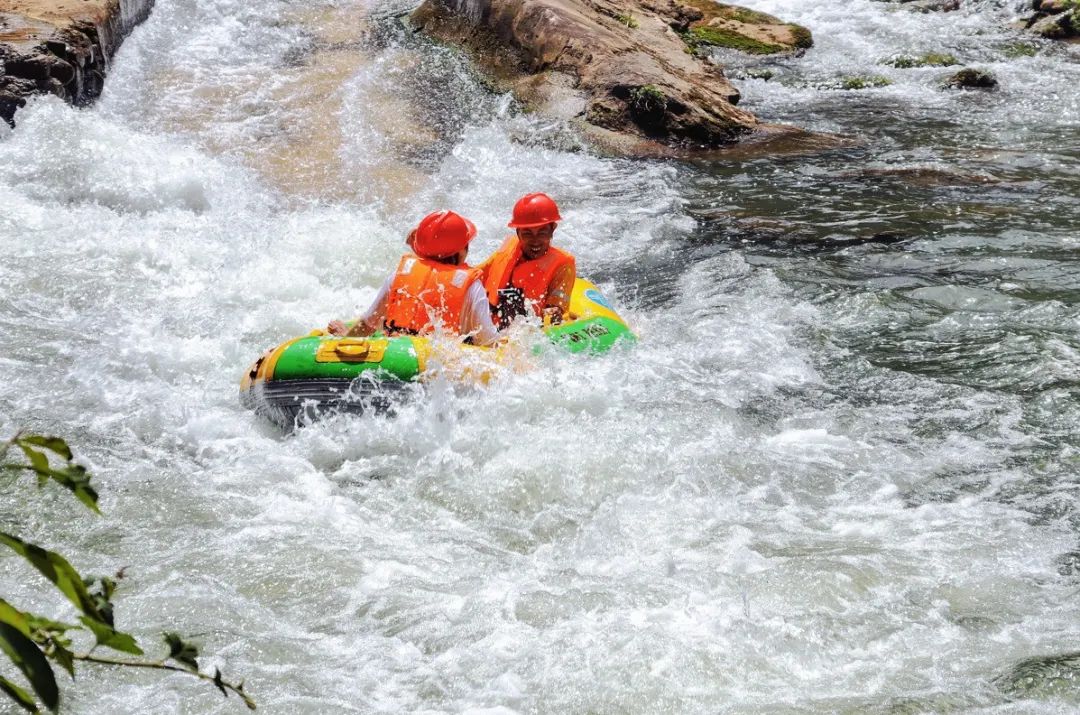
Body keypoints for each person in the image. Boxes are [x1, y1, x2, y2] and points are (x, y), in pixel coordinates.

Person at [327, 210, 500, 346]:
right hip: (440, 362)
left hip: (395, 350)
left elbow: (368, 324)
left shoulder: (399, 276)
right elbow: (486, 342)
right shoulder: (471, 286)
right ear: (461, 250)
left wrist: (346, 338)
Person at [480, 192, 577, 328]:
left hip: (529, 332)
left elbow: (557, 306)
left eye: (542, 233)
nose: (535, 241)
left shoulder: (563, 265)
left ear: (552, 230)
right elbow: (476, 275)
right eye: (527, 234)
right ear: (517, 232)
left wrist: (554, 311)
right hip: (491, 329)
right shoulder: (507, 252)